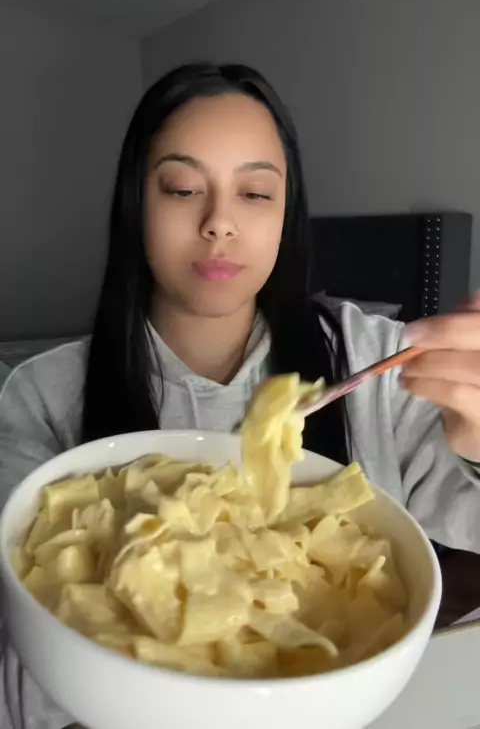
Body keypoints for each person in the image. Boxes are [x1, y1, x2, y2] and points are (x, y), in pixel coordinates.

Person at [1, 61, 480, 728]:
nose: (220, 223)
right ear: (135, 205)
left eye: (255, 193)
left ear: (287, 213)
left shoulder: (374, 359)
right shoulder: (41, 398)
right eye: (182, 188)